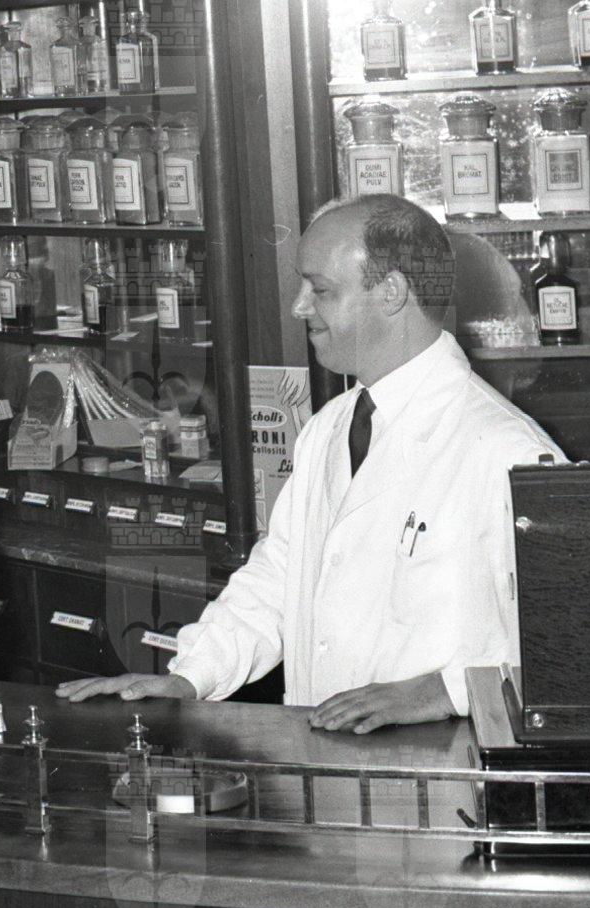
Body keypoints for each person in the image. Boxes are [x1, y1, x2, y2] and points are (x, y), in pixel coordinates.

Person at [58, 195, 562, 733]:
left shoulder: (508, 450)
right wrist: (190, 677)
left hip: (442, 761)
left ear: (392, 292)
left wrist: (444, 690)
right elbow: (279, 576)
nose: (300, 307)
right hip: (325, 750)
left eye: (320, 290)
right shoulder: (330, 427)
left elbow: (568, 645)